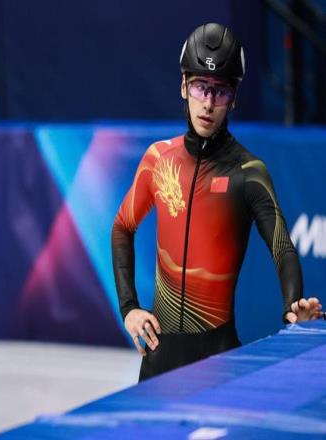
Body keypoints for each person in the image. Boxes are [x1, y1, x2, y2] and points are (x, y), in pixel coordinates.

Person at [111, 23, 324, 382]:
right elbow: (122, 227)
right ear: (184, 86)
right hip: (159, 359)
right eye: (200, 87)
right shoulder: (158, 159)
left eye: (220, 91)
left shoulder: (249, 172)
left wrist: (293, 310)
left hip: (218, 360)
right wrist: (129, 308)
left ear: (234, 98)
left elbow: (282, 248)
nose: (208, 103)